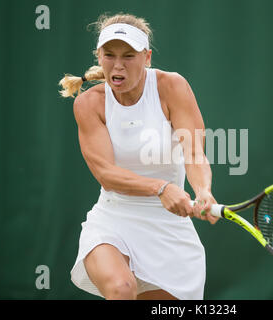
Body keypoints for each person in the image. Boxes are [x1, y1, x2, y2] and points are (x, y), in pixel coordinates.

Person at [59, 13, 218, 300]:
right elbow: (106, 173)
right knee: (121, 289)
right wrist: (160, 188)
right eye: (109, 55)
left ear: (147, 57)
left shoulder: (172, 86)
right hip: (113, 220)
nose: (117, 65)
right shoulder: (88, 103)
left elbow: (194, 151)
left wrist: (203, 190)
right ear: (99, 56)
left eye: (129, 56)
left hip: (170, 228)